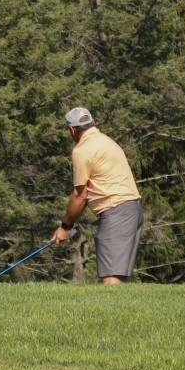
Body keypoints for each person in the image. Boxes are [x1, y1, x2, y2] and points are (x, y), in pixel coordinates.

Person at [51, 106, 143, 284]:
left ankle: (111, 313)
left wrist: (65, 227)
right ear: (93, 122)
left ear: (72, 129)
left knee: (111, 277)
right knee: (117, 274)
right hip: (131, 210)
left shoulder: (82, 150)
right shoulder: (107, 141)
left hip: (116, 211)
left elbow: (80, 195)